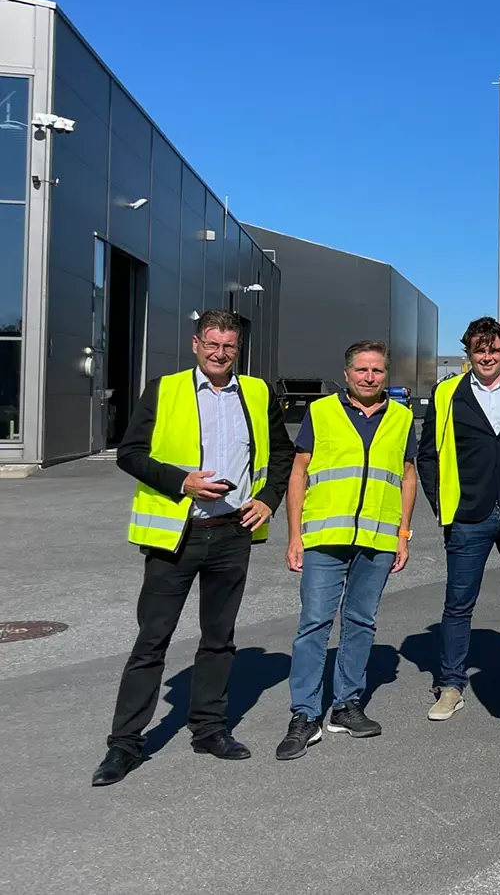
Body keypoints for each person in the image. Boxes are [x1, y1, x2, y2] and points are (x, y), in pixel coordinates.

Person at [93, 310, 293, 786]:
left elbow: (282, 453)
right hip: (175, 537)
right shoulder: (165, 389)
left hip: (231, 533)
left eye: (229, 346)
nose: (220, 353)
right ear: (196, 344)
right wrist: (181, 481)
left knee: (219, 640)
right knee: (151, 642)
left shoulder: (259, 393)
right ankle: (124, 744)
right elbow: (130, 453)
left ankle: (209, 728)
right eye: (212, 343)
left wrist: (268, 500)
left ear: (238, 349)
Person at [276, 341, 419, 760]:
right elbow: (298, 473)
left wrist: (403, 533)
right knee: (315, 624)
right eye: (361, 370)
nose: (369, 377)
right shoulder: (321, 413)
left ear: (385, 375)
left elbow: (407, 477)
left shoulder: (402, 417)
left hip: (377, 538)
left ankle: (346, 705)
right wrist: (294, 535)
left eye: (377, 370)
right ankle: (304, 714)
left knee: (361, 622)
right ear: (347, 374)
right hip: (324, 536)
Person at [418, 317, 500, 721]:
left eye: (493, 349)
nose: (486, 356)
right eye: (478, 350)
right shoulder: (446, 392)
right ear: (468, 353)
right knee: (458, 604)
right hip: (468, 514)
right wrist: (442, 505)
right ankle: (451, 684)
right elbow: (429, 454)